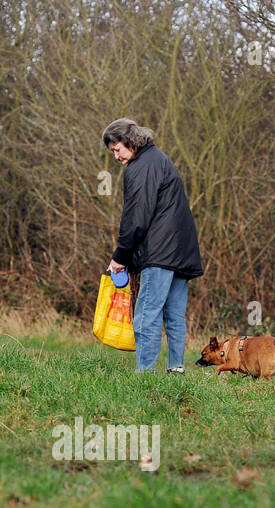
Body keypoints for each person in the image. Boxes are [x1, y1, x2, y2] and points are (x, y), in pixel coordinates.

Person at [102, 119, 203, 374]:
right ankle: (176, 371)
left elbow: (136, 218)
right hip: (182, 251)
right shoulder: (160, 159)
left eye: (117, 149)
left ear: (131, 141)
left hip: (160, 253)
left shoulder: (141, 167)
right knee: (174, 316)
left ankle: (146, 375)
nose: (116, 156)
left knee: (147, 315)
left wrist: (120, 256)